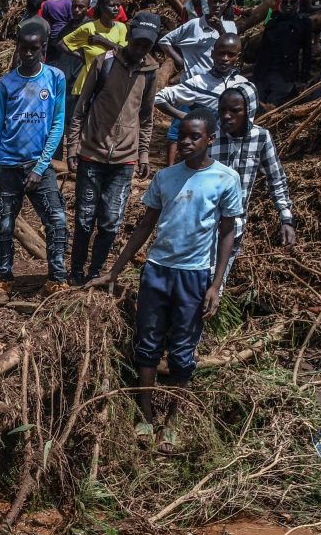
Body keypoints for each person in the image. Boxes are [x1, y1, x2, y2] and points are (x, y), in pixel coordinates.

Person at [86, 111, 242, 450]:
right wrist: (115, 269)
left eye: (194, 137)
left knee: (183, 350)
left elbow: (228, 233)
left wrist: (216, 285)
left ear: (210, 139)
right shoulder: (166, 177)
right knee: (148, 342)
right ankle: (145, 416)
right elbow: (145, 225)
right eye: (182, 136)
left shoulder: (225, 179)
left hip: (194, 275)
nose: (185, 142)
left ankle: (173, 420)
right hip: (157, 270)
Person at [69, 11, 161, 284]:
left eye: (147, 45)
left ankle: (96, 273)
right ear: (129, 35)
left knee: (110, 221)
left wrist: (143, 153)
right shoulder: (104, 63)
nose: (140, 48)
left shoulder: (150, 72)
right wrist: (72, 147)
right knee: (85, 218)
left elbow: (146, 117)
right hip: (92, 152)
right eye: (137, 41)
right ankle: (75, 273)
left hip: (124, 159)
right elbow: (80, 109)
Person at [0, 18, 69, 298]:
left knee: (56, 221)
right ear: (18, 48)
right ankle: (4, 281)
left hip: (39, 167)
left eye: (34, 48)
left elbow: (58, 125)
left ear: (43, 48)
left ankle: (56, 279)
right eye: (24, 48)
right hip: (8, 166)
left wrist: (41, 166)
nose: (29, 53)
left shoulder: (55, 78)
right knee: (5, 227)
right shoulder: (6, 84)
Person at [210, 85, 295, 247]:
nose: (227, 116)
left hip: (234, 228)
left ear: (248, 112)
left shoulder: (260, 138)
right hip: (201, 225)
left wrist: (286, 219)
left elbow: (276, 179)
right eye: (222, 110)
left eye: (235, 111)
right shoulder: (210, 133)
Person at [156, 32, 256, 161]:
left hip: (232, 156)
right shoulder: (199, 83)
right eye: (221, 53)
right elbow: (158, 98)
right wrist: (183, 116)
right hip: (201, 158)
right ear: (213, 54)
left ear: (238, 57)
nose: (225, 58)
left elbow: (249, 123)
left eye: (230, 54)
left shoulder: (244, 86)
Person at [61, 0, 127, 97]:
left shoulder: (121, 28)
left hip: (110, 84)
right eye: (112, 5)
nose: (116, 8)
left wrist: (102, 41)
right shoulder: (89, 28)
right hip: (86, 87)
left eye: (118, 5)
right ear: (101, 7)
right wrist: (82, 57)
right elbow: (62, 44)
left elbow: (123, 52)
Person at [160, 0, 237, 79]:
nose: (217, 5)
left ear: (226, 4)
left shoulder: (231, 27)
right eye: (214, 1)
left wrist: (221, 30)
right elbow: (164, 41)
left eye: (221, 2)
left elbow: (230, 51)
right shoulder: (194, 24)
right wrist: (181, 62)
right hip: (191, 85)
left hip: (217, 83)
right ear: (208, 2)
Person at [254, 0, 313, 106]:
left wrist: (303, 79)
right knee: (257, 103)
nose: (288, 5)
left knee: (272, 106)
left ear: (298, 4)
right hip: (265, 71)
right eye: (285, 2)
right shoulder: (273, 18)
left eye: (292, 2)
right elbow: (263, 48)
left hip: (285, 74)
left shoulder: (303, 22)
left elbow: (307, 52)